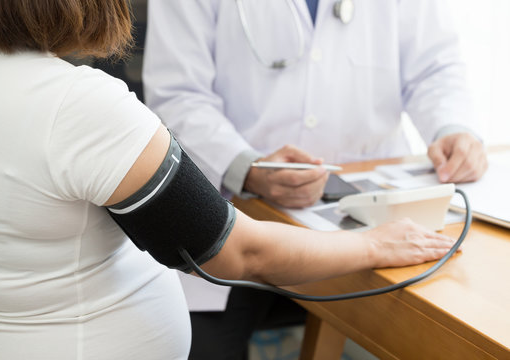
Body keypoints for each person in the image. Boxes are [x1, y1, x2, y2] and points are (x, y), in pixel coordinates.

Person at [0, 1, 457, 359]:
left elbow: (439, 66)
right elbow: (240, 251)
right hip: (225, 244)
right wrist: (376, 245)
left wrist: (455, 128)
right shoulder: (79, 106)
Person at [142, 0, 488, 358]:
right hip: (237, 217)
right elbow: (178, 94)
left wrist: (453, 128)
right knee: (193, 350)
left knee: (452, 327)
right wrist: (245, 165)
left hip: (370, 211)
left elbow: (435, 68)